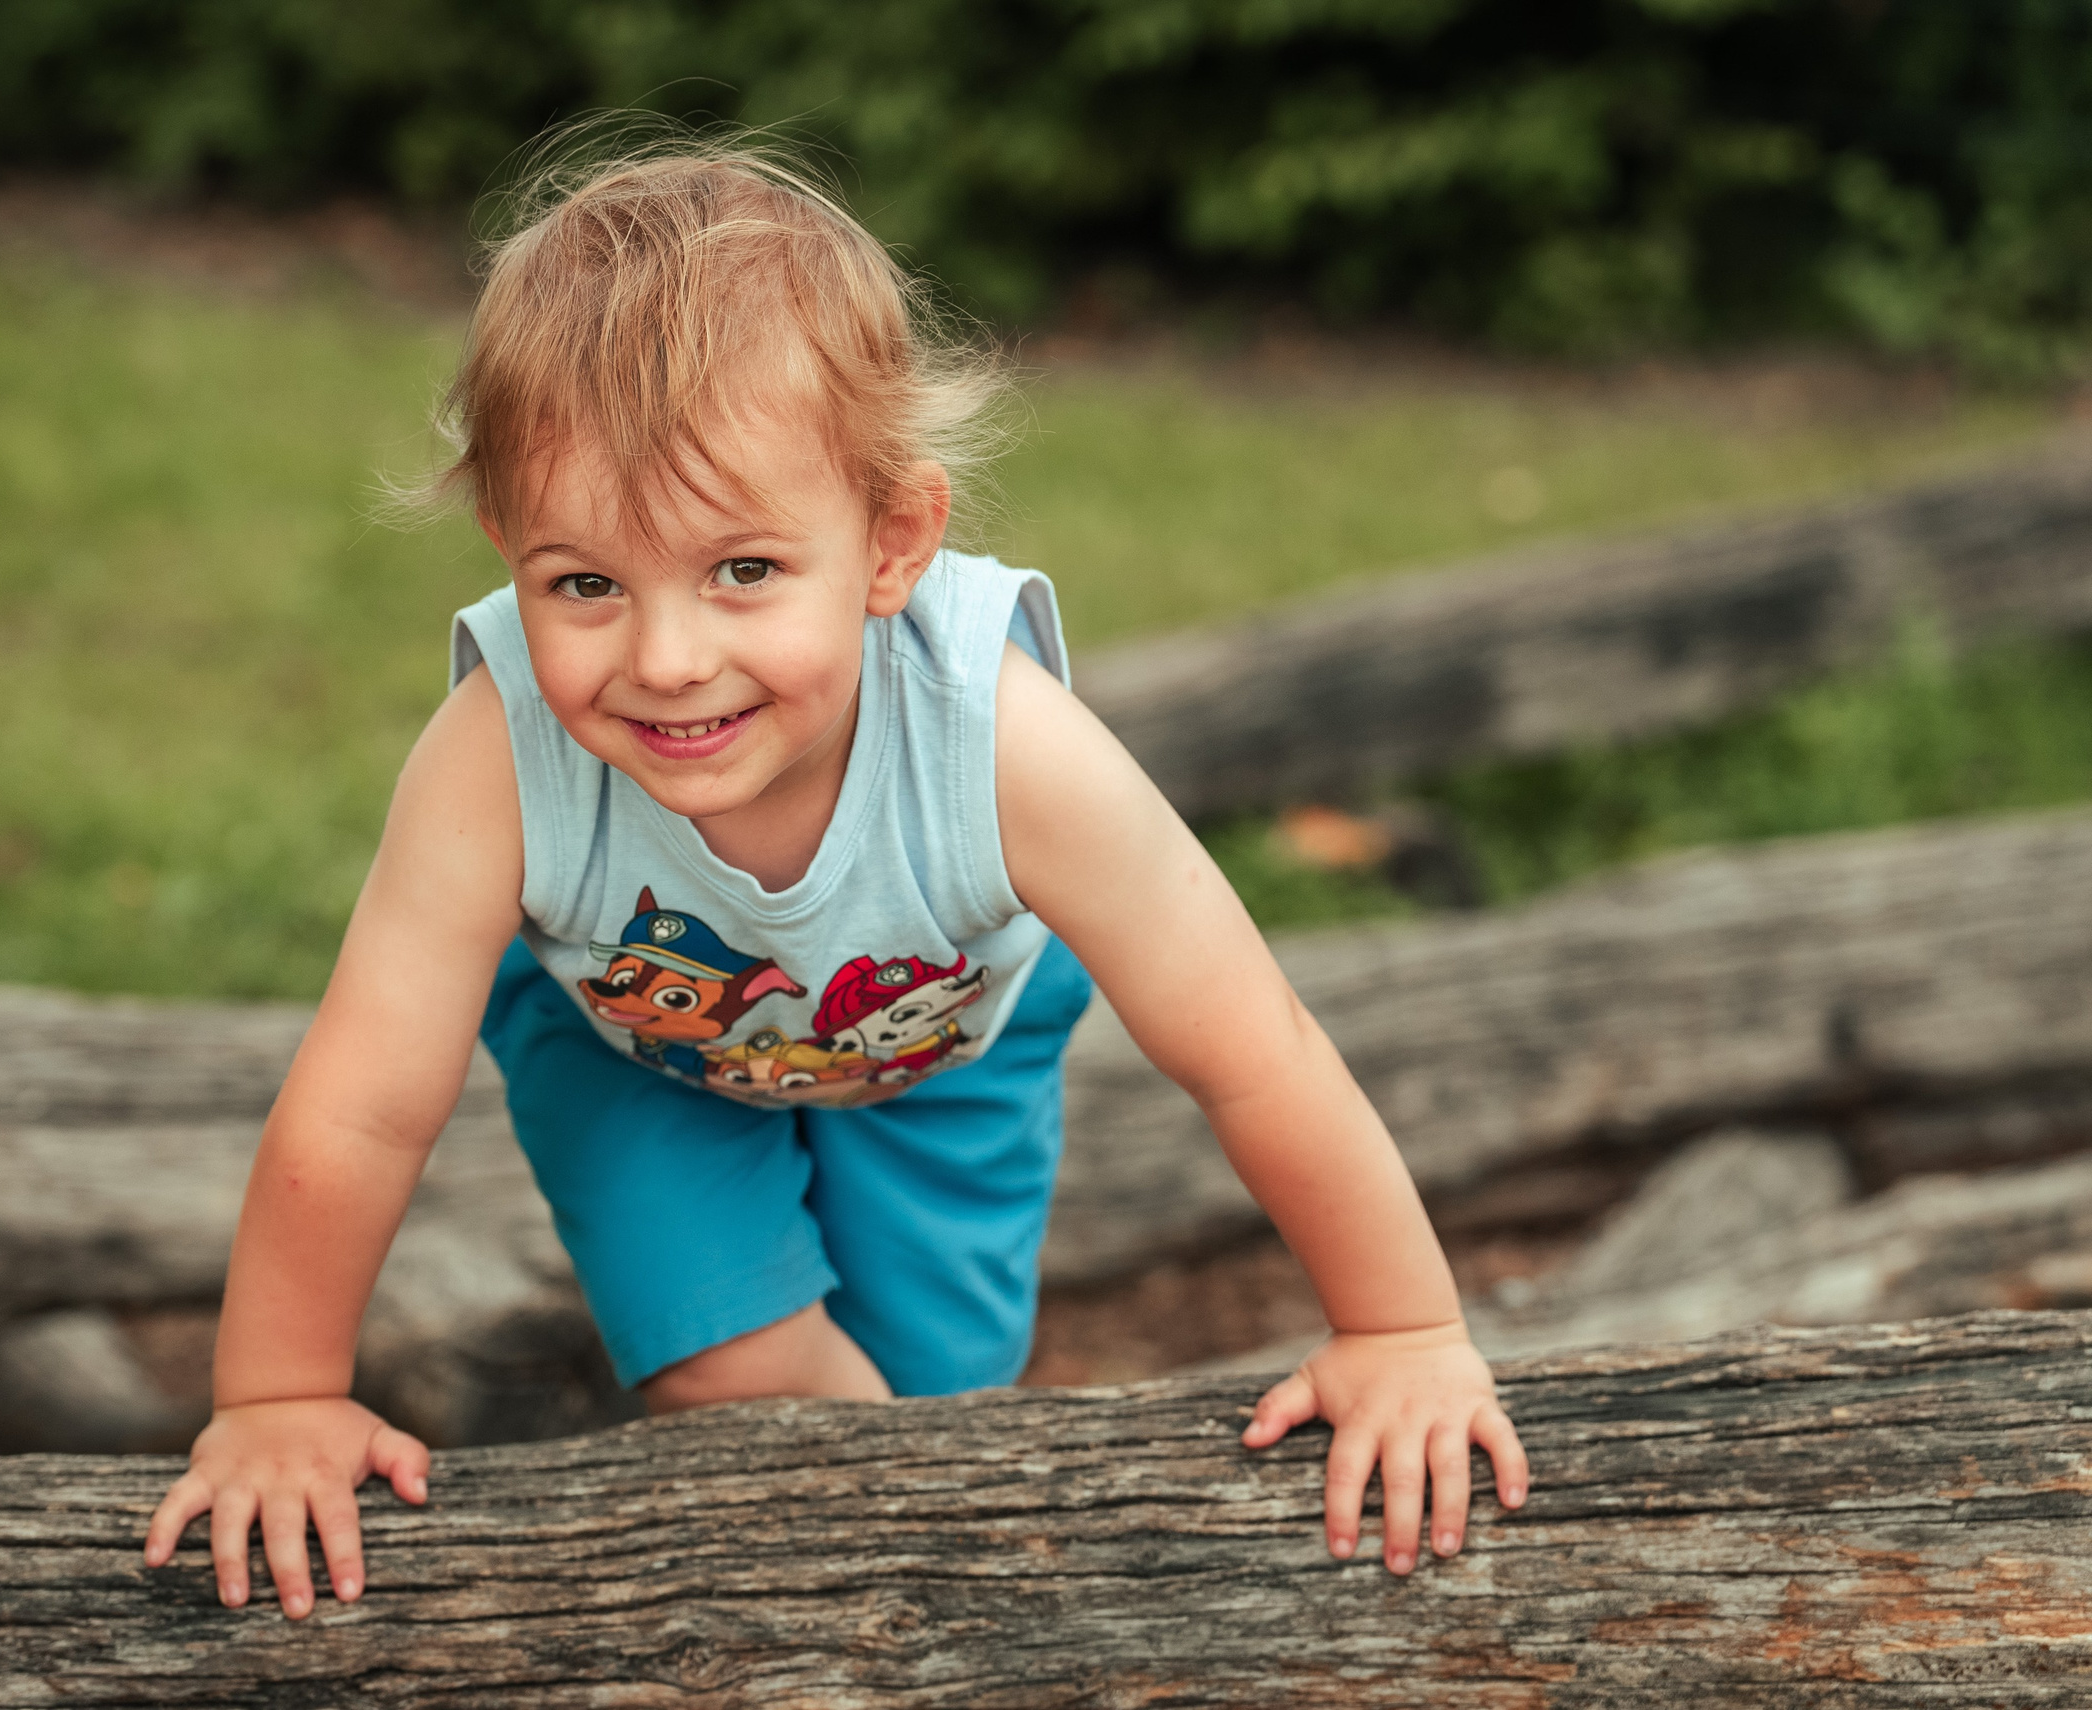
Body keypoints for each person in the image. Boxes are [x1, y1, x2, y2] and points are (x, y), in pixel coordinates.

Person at [142, 134, 1529, 1620]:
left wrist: (1400, 1325)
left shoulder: (1007, 749)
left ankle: (881, 1542)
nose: (668, 659)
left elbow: (1256, 1048)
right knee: (749, 1386)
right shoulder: (498, 756)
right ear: (505, 547)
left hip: (935, 1041)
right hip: (636, 1046)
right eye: (586, 584)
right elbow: (358, 1104)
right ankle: (857, 1590)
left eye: (742, 570)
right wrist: (278, 1394)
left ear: (892, 543)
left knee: (933, 1405)